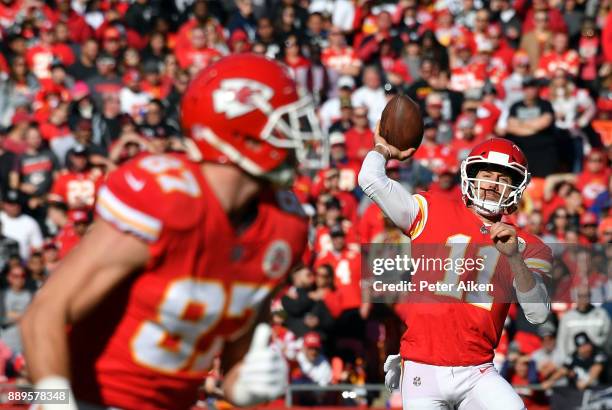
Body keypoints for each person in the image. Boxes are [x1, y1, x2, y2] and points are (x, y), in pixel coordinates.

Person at [20, 54, 326, 409]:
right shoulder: (169, 200)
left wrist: (244, 384)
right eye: (285, 123)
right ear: (243, 132)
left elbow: (235, 359)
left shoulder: (282, 225)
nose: (298, 135)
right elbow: (45, 313)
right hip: (92, 399)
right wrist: (55, 401)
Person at [359, 132, 552, 409]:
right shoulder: (431, 209)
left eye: (503, 179)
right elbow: (370, 180)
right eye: (486, 175)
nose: (492, 185)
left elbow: (538, 312)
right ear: (471, 176)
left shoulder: (529, 246)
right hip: (423, 365)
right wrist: (382, 149)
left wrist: (514, 259)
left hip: (478, 369)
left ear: (516, 188)